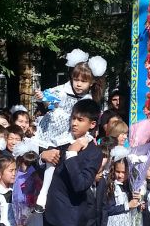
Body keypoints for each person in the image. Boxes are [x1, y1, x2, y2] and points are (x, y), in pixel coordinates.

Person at [34, 50, 106, 211]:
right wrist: (42, 97)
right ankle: (43, 194)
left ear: (91, 83)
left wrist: (88, 137)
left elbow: (90, 121)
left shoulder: (88, 100)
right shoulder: (63, 90)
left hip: (71, 134)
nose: (78, 84)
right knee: (51, 160)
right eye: (76, 79)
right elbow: (49, 98)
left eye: (83, 81)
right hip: (54, 130)